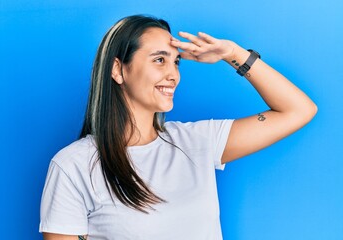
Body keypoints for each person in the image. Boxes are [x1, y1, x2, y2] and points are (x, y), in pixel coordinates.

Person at [39, 14, 317, 240]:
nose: (173, 74)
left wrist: (232, 53)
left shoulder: (197, 142)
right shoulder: (73, 166)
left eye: (176, 62)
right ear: (118, 69)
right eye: (159, 60)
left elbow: (299, 110)